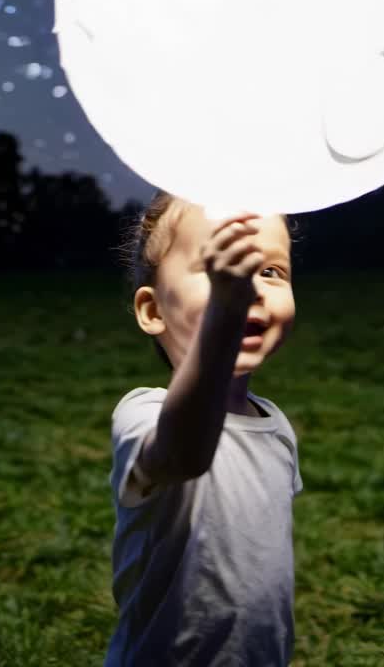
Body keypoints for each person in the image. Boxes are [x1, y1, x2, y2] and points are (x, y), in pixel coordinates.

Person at [105, 189, 303, 666]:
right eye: (220, 266)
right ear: (152, 311)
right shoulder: (143, 414)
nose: (248, 285)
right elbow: (185, 453)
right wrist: (224, 315)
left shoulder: (276, 427)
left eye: (270, 270)